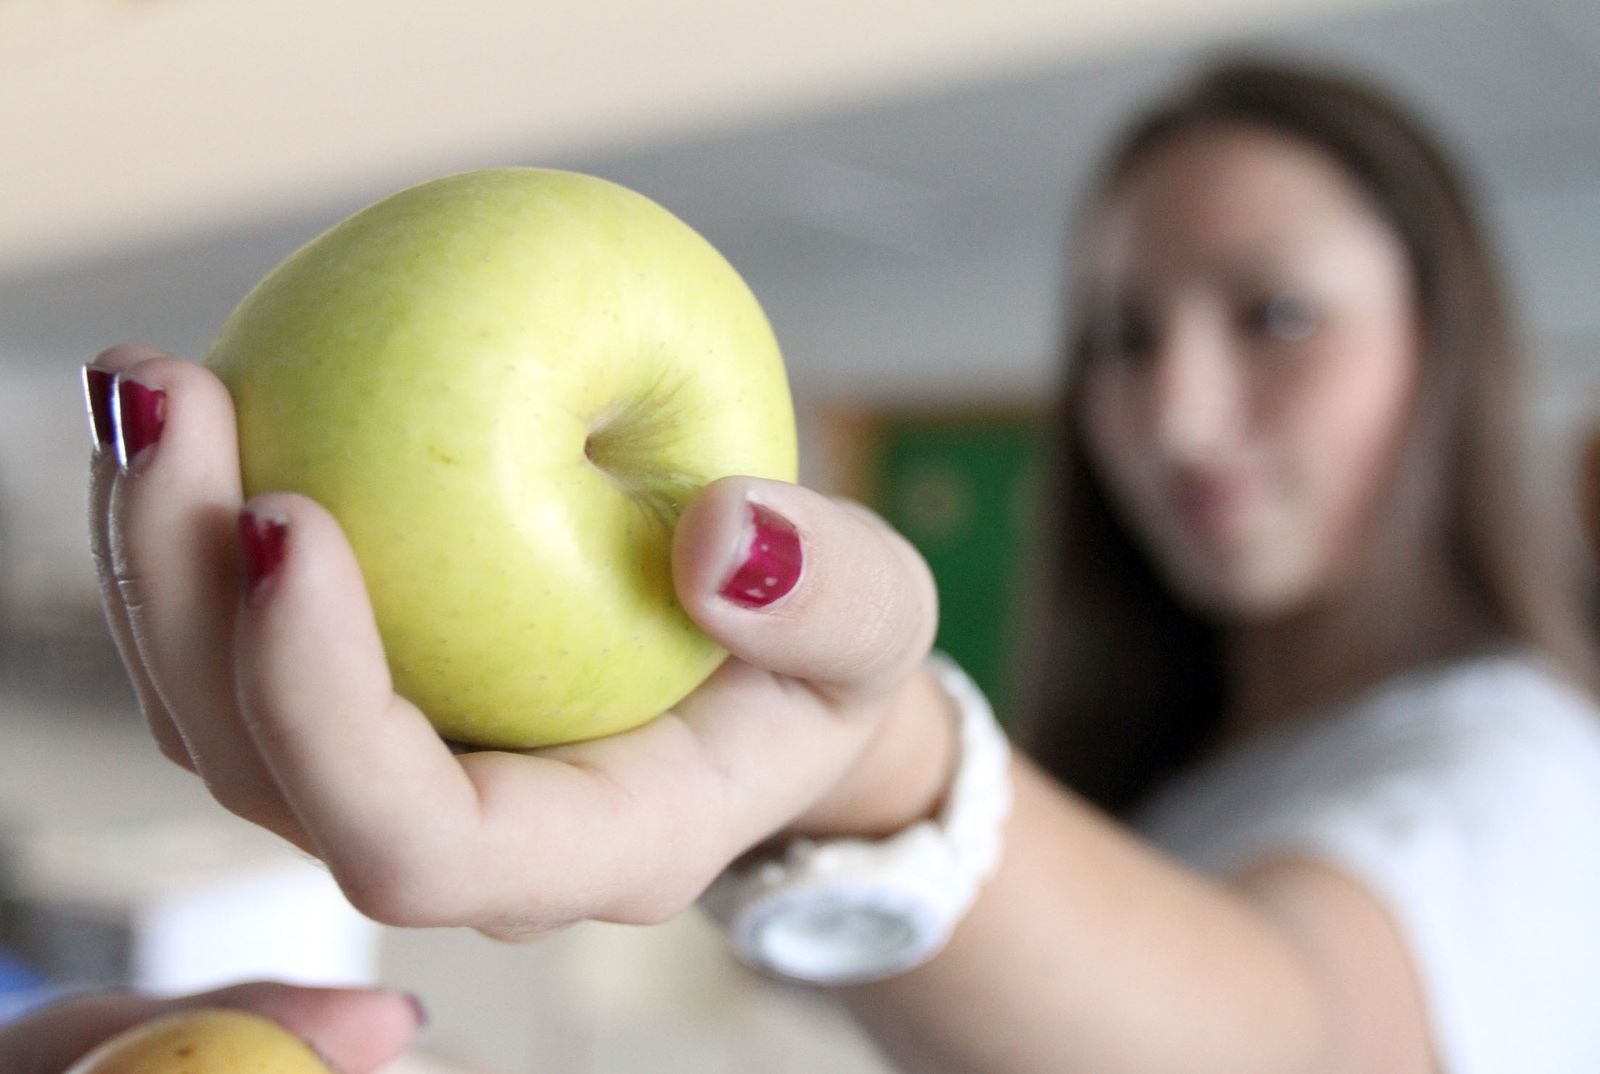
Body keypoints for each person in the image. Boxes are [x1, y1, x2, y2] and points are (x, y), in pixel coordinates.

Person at [62, 56, 1600, 1073]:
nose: (1174, 414)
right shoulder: (1187, 751)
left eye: (1274, 315)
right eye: (1125, 336)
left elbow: (1299, 1036)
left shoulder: (1535, 772)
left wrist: (866, 756)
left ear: (1446, 348)